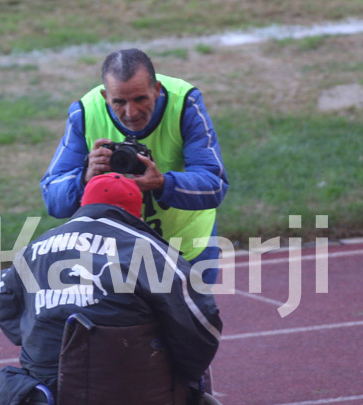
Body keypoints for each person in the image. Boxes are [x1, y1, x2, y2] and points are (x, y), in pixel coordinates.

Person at [0, 173, 222, 405]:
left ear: (84, 205)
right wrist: (182, 367)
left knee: (7, 387)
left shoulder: (36, 248)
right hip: (143, 398)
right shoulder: (151, 251)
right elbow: (203, 323)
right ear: (136, 213)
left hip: (58, 398)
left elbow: (2, 297)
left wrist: (29, 334)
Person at [40, 48, 228, 285]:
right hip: (116, 260)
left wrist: (162, 184)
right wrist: (84, 179)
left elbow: (215, 185)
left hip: (186, 253)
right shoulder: (85, 112)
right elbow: (52, 198)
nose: (131, 113)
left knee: (189, 324)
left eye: (141, 99)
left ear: (157, 90)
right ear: (105, 96)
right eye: (119, 102)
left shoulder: (185, 103)